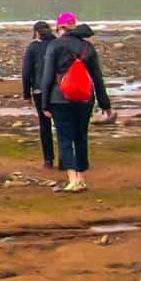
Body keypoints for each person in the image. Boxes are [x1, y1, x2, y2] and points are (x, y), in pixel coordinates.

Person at [38, 12, 114, 193]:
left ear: (59, 27)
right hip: (84, 99)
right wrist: (105, 104)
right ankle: (81, 177)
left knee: (64, 138)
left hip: (59, 99)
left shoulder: (54, 46)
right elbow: (97, 77)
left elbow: (47, 78)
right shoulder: (87, 47)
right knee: (81, 137)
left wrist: (44, 104)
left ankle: (72, 179)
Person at [21, 21, 56, 168]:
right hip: (58, 89)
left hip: (39, 90)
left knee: (44, 124)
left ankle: (48, 159)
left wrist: (26, 93)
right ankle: (66, 159)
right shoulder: (57, 43)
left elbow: (26, 71)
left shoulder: (33, 47)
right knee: (62, 123)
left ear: (36, 32)